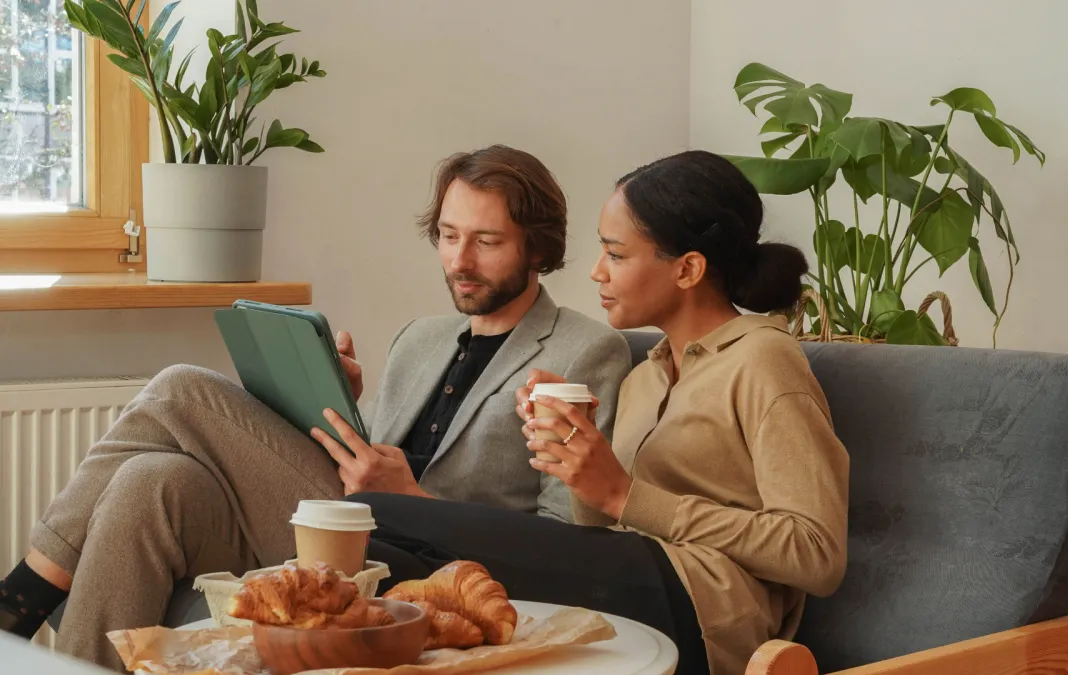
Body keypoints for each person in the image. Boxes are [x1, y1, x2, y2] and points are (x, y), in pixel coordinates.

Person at [0, 144, 632, 670]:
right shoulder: (422, 337)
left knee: (179, 387)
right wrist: (335, 405)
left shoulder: (586, 350)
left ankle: (26, 591)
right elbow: (363, 463)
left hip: (423, 560)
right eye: (447, 236)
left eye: (487, 241)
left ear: (538, 248)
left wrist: (413, 499)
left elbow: (567, 540)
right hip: (338, 524)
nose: (459, 262)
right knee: (154, 480)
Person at [346, 149, 850, 675]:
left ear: (688, 269)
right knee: (379, 558)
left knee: (385, 514)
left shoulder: (764, 360)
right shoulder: (648, 374)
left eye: (616, 254)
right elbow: (603, 526)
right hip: (628, 586)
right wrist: (574, 459)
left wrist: (625, 495)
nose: (595, 272)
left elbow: (817, 555)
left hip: (707, 610)